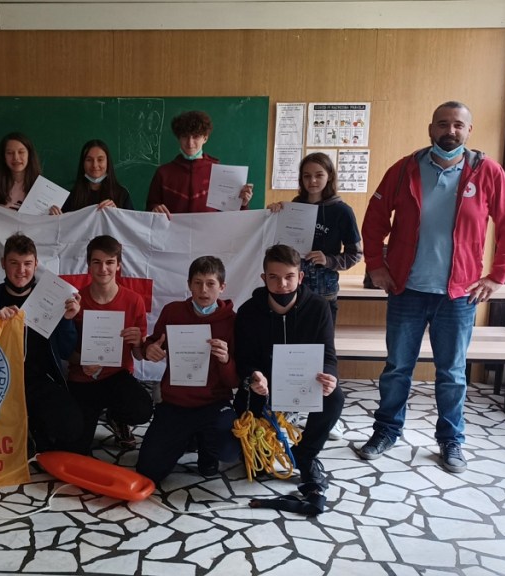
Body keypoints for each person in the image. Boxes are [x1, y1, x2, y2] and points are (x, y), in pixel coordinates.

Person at [356, 101, 505, 474]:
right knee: (397, 368)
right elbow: (374, 219)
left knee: (451, 373)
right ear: (431, 128)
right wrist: (376, 265)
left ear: (469, 130)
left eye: (458, 125)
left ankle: (451, 441)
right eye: (443, 124)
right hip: (407, 291)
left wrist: (497, 276)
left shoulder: (487, 172)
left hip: (458, 296)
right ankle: (386, 431)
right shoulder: (404, 169)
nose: (450, 131)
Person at [234, 245, 342, 497]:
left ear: (300, 277)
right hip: (265, 385)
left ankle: (306, 455)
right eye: (274, 277)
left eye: (289, 276)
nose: (282, 284)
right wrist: (253, 376)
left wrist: (330, 376)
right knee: (257, 464)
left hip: (305, 381)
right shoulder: (248, 312)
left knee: (334, 397)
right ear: (264, 278)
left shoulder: (318, 307)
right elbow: (243, 360)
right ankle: (263, 447)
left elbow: (328, 355)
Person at [268, 152, 362, 440]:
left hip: (324, 293)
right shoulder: (293, 207)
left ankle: (324, 414)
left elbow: (355, 254)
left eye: (319, 175)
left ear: (329, 176)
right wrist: (274, 214)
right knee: (293, 351)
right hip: (293, 293)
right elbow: (279, 246)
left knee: (321, 353)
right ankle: (291, 409)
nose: (312, 181)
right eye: (307, 176)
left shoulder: (342, 211)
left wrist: (330, 259)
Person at [0, 233, 83, 452]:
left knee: (72, 430)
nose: (21, 270)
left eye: (27, 264)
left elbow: (66, 351)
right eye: (14, 263)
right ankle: (24, 431)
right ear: (3, 263)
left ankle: (33, 427)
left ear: (36, 264)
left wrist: (67, 320)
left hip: (38, 379)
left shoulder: (53, 298)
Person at [136, 256, 239, 483]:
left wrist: (225, 360)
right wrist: (149, 349)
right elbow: (153, 343)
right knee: (148, 470)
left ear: (222, 287)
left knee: (229, 450)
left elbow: (234, 381)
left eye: (210, 283)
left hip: (213, 403)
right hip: (176, 403)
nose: (203, 290)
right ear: (189, 284)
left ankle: (205, 447)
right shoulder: (173, 312)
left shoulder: (232, 320)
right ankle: (187, 438)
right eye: (197, 283)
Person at [67, 235, 154, 455]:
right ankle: (91, 415)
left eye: (109, 262)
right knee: (75, 446)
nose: (103, 268)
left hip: (117, 376)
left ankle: (116, 417)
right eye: (97, 262)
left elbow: (138, 355)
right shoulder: (75, 301)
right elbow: (65, 351)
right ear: (89, 265)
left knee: (142, 410)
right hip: (83, 378)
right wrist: (83, 361)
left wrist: (139, 342)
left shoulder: (134, 301)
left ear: (118, 265)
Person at [146, 110, 253, 216]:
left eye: (196, 136)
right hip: (172, 228)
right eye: (185, 136)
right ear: (179, 138)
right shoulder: (163, 173)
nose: (190, 142)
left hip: (211, 228)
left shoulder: (220, 173)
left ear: (205, 138)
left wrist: (242, 203)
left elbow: (233, 216)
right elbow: (150, 209)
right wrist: (154, 208)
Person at [62, 139, 134, 213]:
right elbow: (62, 219)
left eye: (100, 160)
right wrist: (54, 214)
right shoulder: (70, 195)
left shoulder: (122, 194)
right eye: (89, 160)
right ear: (83, 163)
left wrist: (117, 213)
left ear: (107, 162)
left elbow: (130, 220)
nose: (95, 165)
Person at [0, 132, 42, 210]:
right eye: (10, 153)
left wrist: (53, 214)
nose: (16, 157)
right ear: (3, 157)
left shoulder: (43, 188)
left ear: (29, 155)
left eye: (21, 152)